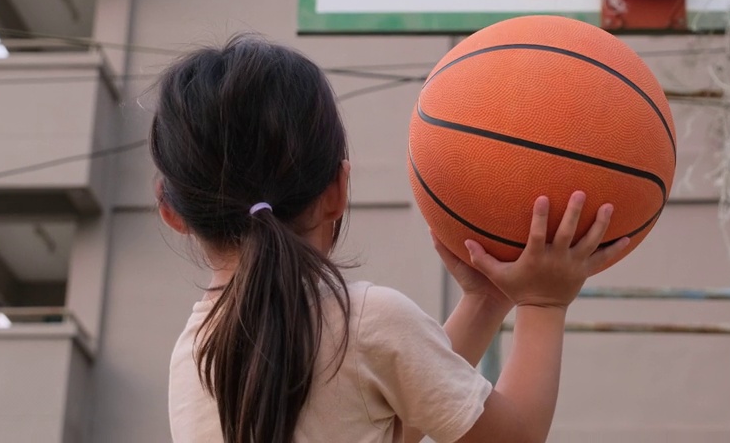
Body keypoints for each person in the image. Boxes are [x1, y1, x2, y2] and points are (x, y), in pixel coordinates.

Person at [152, 34, 629, 443]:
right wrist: (544, 302)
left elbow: (383, 424)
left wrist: (485, 302)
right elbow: (515, 437)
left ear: (171, 210)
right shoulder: (366, 322)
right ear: (338, 190)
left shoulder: (192, 355)